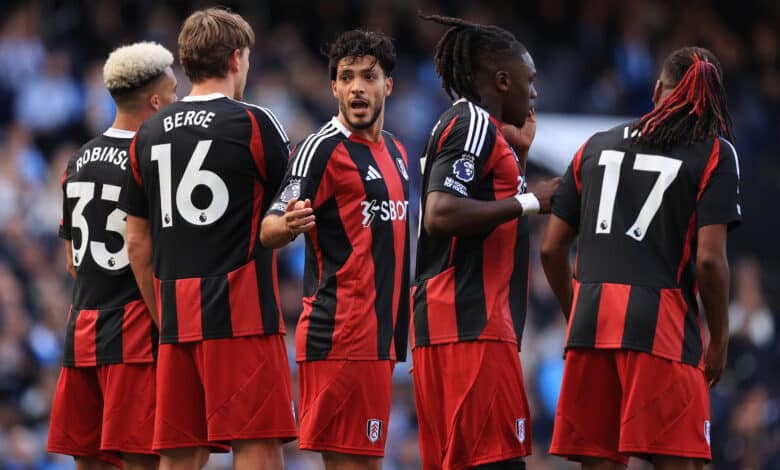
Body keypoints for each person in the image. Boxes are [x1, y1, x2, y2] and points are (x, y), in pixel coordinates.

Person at [541, 46, 740, 470]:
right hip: (661, 327)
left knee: (600, 464)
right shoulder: (715, 153)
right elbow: (709, 261)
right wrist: (719, 339)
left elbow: (551, 248)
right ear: (712, 103)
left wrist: (575, 312)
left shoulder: (595, 145)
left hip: (592, 325)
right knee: (679, 462)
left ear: (656, 90)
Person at [117, 8, 295, 470]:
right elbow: (292, 202)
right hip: (244, 319)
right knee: (256, 446)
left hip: (178, 319)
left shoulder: (146, 134)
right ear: (236, 58)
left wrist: (165, 317)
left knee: (179, 456)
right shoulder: (256, 122)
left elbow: (136, 243)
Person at [413, 14, 559, 470]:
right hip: (471, 328)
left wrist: (519, 158)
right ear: (501, 79)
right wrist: (531, 201)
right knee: (499, 463)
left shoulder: (479, 131)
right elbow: (440, 212)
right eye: (528, 80)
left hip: (452, 329)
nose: (533, 92)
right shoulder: (472, 122)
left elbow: (477, 206)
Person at [261, 29, 410, 470]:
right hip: (342, 338)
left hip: (379, 340)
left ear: (389, 85)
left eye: (369, 76)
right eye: (347, 77)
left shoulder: (398, 151)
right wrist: (286, 224)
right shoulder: (321, 148)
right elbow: (269, 227)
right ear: (334, 87)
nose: (358, 87)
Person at [47, 41, 177, 470]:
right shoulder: (152, 159)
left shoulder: (78, 158)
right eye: (174, 94)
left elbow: (70, 259)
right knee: (144, 459)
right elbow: (144, 247)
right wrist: (166, 322)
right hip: (135, 332)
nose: (177, 103)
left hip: (82, 328)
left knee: (89, 461)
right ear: (155, 101)